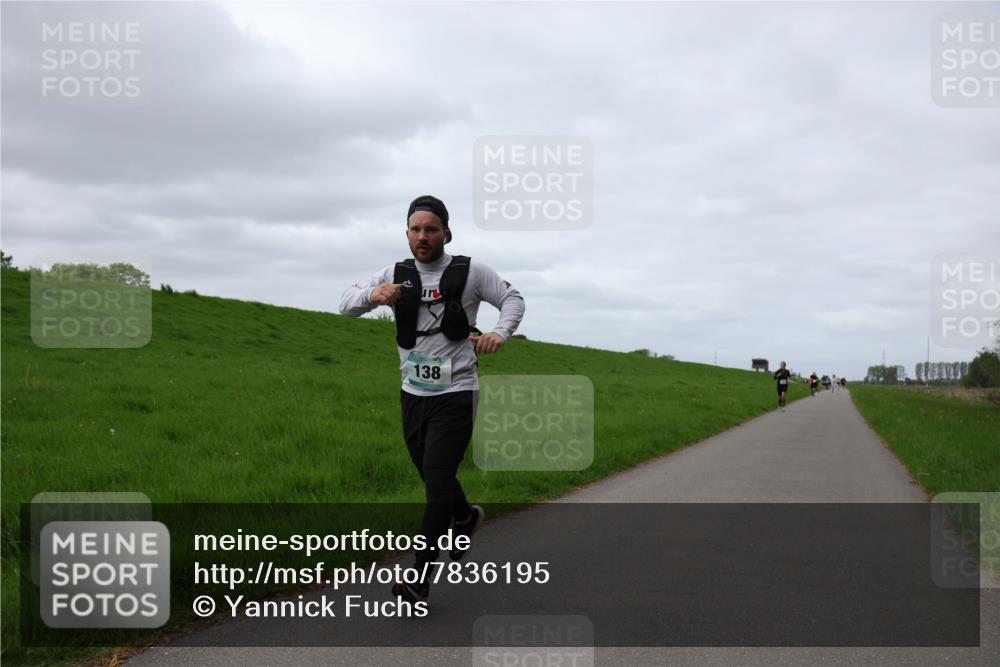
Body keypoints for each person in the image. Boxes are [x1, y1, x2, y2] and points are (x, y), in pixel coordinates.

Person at [339, 195, 525, 604]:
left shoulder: (470, 270)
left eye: (431, 229)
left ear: (446, 233)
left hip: (457, 393)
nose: (423, 236)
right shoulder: (395, 273)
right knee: (433, 476)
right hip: (413, 394)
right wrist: (374, 295)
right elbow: (344, 305)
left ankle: (418, 578)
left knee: (437, 482)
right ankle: (465, 516)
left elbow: (513, 298)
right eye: (416, 229)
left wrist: (500, 332)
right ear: (407, 233)